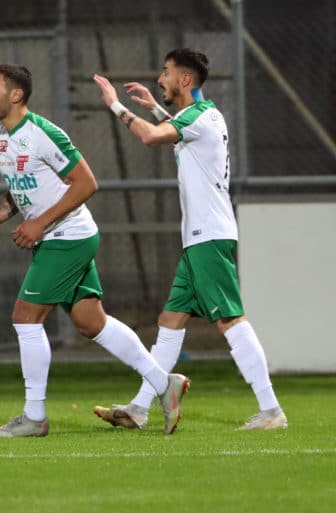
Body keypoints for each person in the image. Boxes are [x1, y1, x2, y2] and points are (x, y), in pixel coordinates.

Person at [0, 64, 189, 437]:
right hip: (62, 237)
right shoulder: (1, 136)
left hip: (67, 236)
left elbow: (86, 182)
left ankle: (34, 417)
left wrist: (40, 224)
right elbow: (21, 190)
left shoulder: (43, 133)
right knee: (92, 323)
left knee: (25, 317)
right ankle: (162, 382)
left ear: (16, 94)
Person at [92, 49, 286, 430]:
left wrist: (115, 105)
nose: (159, 80)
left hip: (209, 237)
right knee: (170, 320)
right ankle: (141, 407)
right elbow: (179, 131)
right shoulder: (201, 116)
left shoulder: (198, 117)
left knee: (231, 319)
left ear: (185, 80)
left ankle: (271, 410)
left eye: (165, 73)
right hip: (199, 239)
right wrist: (155, 108)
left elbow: (150, 138)